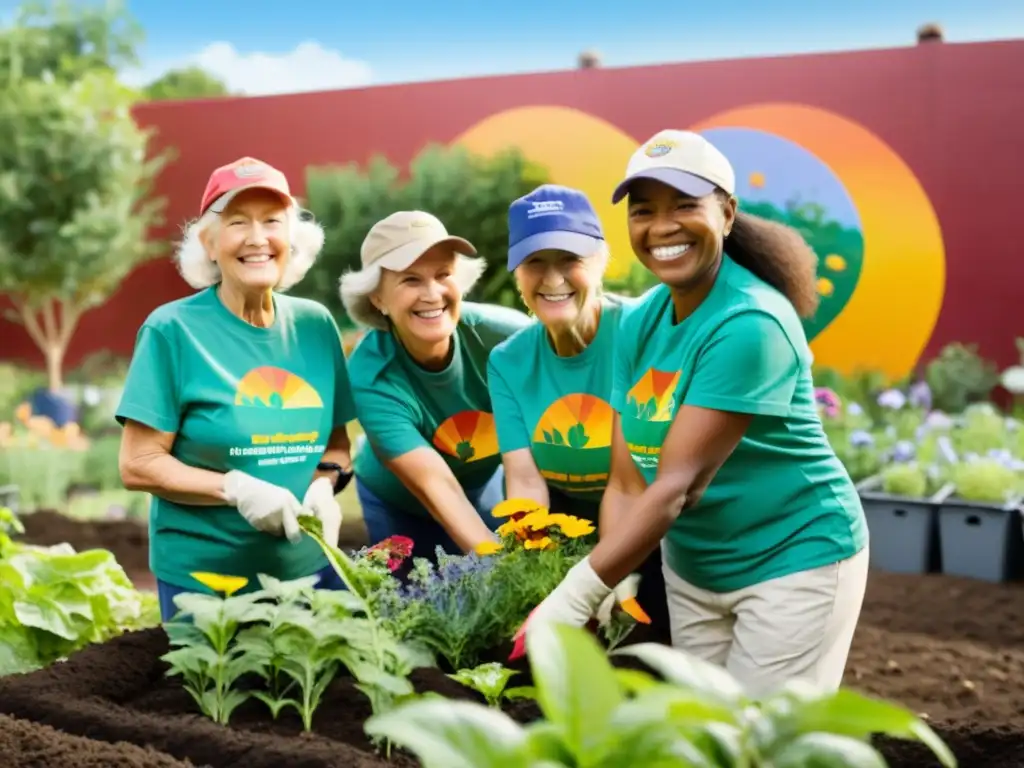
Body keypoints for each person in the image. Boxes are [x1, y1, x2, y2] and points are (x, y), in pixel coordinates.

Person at [517, 130, 870, 697]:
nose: (662, 226)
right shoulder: (639, 320)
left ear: (727, 214)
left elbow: (677, 486)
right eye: (644, 210)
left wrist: (574, 594)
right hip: (695, 568)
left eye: (685, 205)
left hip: (793, 557)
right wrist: (619, 577)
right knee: (702, 737)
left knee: (762, 743)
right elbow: (629, 480)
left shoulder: (751, 324)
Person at [117, 157, 356, 621]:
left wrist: (326, 486)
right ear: (208, 243)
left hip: (308, 576)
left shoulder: (315, 325)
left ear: (293, 240)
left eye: (272, 222)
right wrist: (234, 488)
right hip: (205, 588)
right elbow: (139, 465)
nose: (257, 237)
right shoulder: (172, 330)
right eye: (237, 222)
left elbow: (337, 444)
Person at [488, 184, 668, 634]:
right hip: (572, 524)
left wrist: (613, 573)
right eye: (535, 263)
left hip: (661, 521)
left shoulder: (641, 331)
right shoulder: (508, 361)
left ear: (602, 259)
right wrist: (530, 573)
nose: (552, 280)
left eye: (569, 260)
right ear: (517, 274)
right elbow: (526, 480)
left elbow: (631, 484)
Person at [341, 211, 532, 561]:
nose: (432, 294)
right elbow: (434, 485)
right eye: (410, 280)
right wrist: (509, 567)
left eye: (443, 274)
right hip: (398, 501)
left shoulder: (508, 338)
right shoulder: (372, 373)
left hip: (480, 482)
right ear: (377, 298)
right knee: (416, 603)